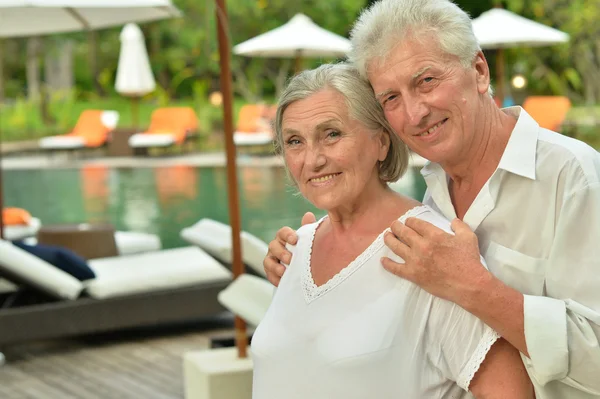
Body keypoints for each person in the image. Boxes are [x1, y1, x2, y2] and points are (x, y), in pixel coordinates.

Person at [263, 1, 600, 398]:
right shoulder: (434, 190)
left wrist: (474, 287)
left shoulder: (573, 175)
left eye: (426, 81)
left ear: (478, 70)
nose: (414, 112)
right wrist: (315, 265)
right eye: (390, 98)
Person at [252, 62, 534, 399]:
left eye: (332, 134)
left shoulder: (427, 249)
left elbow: (510, 392)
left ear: (381, 143)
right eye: (295, 141)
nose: (312, 160)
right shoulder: (294, 250)